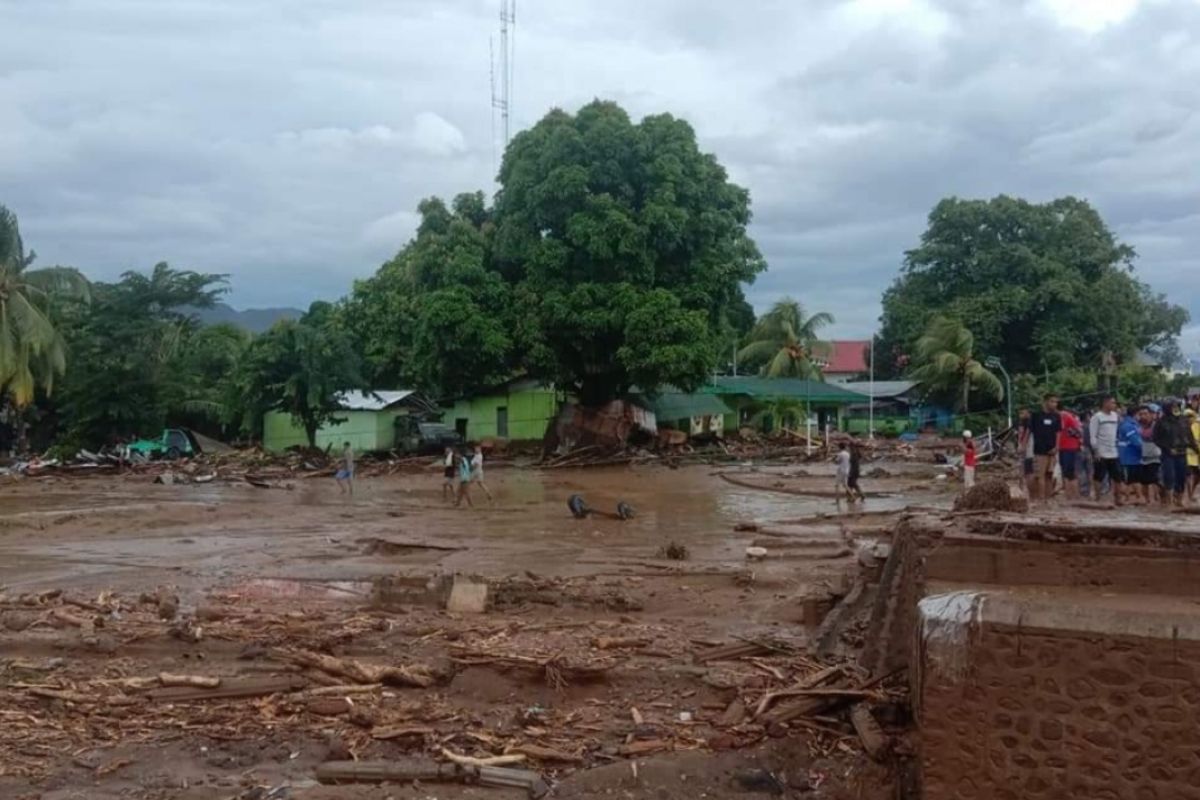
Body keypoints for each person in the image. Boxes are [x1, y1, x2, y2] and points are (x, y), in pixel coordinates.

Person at [1153, 399, 1197, 507]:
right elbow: (1156, 439)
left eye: (1177, 406)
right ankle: (1169, 501)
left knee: (1181, 477)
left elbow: (1190, 437)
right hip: (1168, 454)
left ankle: (1179, 500)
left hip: (1182, 453)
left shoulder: (1184, 420)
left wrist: (1196, 449)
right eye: (1173, 407)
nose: (1175, 409)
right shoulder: (1161, 422)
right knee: (1169, 477)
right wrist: (1167, 448)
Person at [1027, 394, 1062, 502]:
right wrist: (1023, 445)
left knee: (1049, 475)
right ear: (1045, 402)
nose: (1054, 404)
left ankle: (1048, 498)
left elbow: (1058, 433)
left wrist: (1056, 446)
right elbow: (1029, 431)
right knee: (1039, 475)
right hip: (1039, 450)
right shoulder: (1036, 415)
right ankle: (1040, 498)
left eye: (1056, 402)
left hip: (1052, 450)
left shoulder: (1056, 416)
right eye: (1052, 401)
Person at [1088, 396, 1121, 505]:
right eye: (1112, 403)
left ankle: (1117, 498)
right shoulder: (1097, 417)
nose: (1114, 405)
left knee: (1117, 476)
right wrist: (1096, 450)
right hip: (1101, 451)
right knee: (1099, 476)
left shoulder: (1115, 416)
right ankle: (1098, 497)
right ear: (1105, 403)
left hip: (1113, 451)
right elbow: (1093, 435)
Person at [1117, 405, 1144, 505]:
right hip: (1129, 457)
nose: (1141, 417)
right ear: (1136, 414)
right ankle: (1130, 498)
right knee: (1130, 479)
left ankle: (1136, 498)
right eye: (1140, 414)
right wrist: (1144, 450)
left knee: (1133, 479)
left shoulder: (1130, 424)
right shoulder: (1129, 425)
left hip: (1132, 457)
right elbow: (1136, 441)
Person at [1057, 406, 1083, 499]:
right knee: (1065, 471)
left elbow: (1079, 432)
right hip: (1062, 447)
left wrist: (1073, 435)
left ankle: (1074, 495)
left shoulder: (1066, 416)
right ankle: (1069, 495)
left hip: (1070, 447)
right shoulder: (1060, 416)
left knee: (1070, 472)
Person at [1138, 406, 1162, 506]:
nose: (1143, 416)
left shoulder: (1156, 426)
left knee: (1156, 481)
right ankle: (1147, 501)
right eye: (1141, 414)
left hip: (1156, 458)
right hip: (1143, 459)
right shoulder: (1139, 427)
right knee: (1144, 482)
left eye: (1145, 414)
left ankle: (1158, 500)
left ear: (1151, 415)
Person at [1187, 406, 1200, 502]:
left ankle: (1191, 494)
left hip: (1196, 456)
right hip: (1188, 455)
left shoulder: (1197, 425)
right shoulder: (1182, 427)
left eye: (1190, 416)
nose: (1188, 419)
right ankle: (1189, 495)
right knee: (1190, 476)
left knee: (1196, 477)